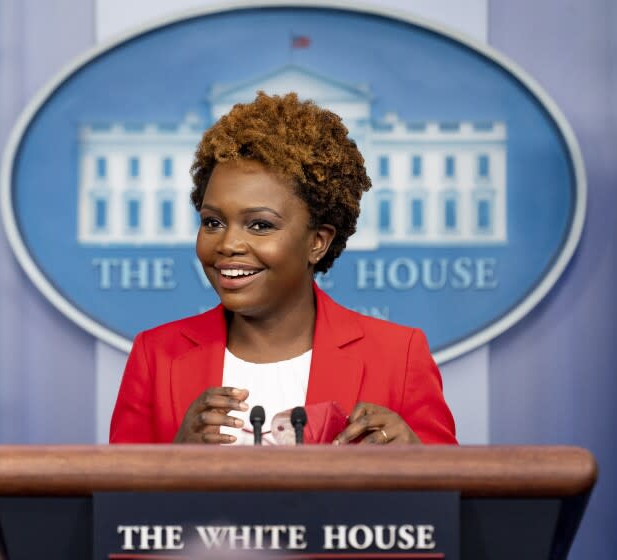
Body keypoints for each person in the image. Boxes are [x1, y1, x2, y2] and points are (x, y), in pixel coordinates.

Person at [109, 92, 456, 445]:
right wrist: (175, 460)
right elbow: (118, 498)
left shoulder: (399, 355)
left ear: (317, 242)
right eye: (212, 222)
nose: (228, 244)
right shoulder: (156, 355)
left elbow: (451, 494)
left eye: (259, 225)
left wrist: (415, 457)